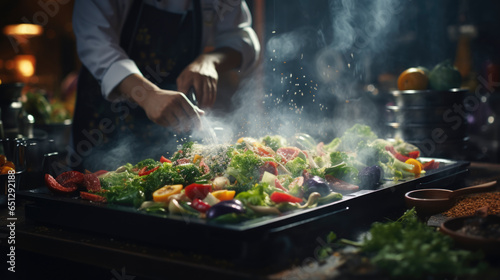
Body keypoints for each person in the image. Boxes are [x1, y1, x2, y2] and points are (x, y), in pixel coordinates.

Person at [71, 0, 260, 171]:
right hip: (102, 121)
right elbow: (95, 42)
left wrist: (210, 61)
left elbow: (242, 37)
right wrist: (148, 95)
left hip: (172, 125)